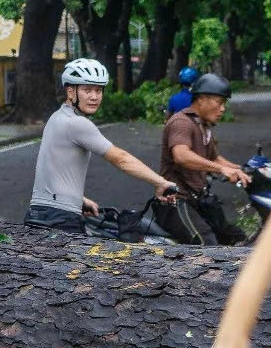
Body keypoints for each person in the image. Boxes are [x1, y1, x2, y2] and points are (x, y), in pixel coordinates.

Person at [26, 58, 176, 233]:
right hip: (59, 219)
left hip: (40, 213)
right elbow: (121, 158)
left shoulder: (56, 118)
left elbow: (53, 168)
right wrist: (160, 182)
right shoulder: (78, 124)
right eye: (87, 90)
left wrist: (78, 199)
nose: (94, 97)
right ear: (70, 92)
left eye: (98, 90)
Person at [155, 73, 250, 245]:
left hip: (196, 199)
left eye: (224, 104)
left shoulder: (203, 125)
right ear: (201, 100)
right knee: (205, 242)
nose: (222, 109)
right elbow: (181, 155)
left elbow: (214, 158)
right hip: (175, 201)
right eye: (219, 103)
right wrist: (222, 169)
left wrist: (239, 169)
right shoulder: (182, 122)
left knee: (236, 238)